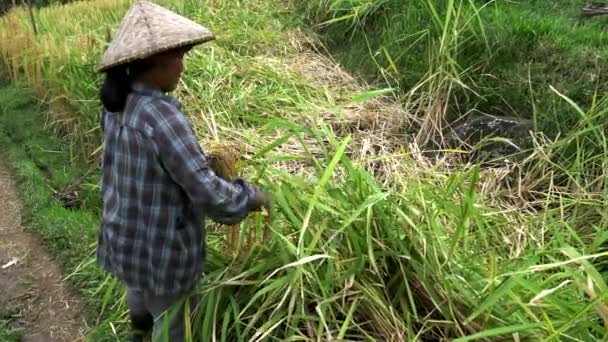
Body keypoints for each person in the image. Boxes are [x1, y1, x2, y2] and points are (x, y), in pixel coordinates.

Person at [94, 1, 271, 341]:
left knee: (141, 292)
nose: (181, 67)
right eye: (178, 57)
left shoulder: (118, 102)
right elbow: (206, 191)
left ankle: (138, 331)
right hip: (160, 247)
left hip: (124, 234)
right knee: (176, 323)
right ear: (152, 61)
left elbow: (148, 161)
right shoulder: (161, 115)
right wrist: (251, 197)